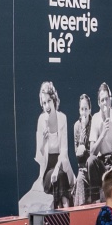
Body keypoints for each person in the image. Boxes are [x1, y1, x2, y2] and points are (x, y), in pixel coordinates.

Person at [34, 82, 76, 210]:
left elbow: (64, 150)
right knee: (56, 177)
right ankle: (64, 208)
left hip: (61, 164)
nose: (47, 105)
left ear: (54, 100)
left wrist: (57, 169)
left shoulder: (62, 118)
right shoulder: (41, 120)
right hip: (47, 168)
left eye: (49, 101)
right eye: (44, 102)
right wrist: (44, 141)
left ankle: (65, 209)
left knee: (60, 176)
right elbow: (39, 156)